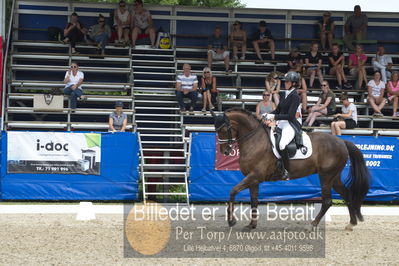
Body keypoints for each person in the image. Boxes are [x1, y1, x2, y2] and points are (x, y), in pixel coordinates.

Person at [263, 71, 303, 180]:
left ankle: (286, 171)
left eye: (288, 82)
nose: (285, 83)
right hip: (281, 123)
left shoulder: (295, 97)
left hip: (290, 124)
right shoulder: (284, 94)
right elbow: (278, 110)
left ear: (294, 83)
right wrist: (269, 114)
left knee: (282, 144)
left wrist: (274, 117)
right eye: (285, 81)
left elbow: (290, 116)